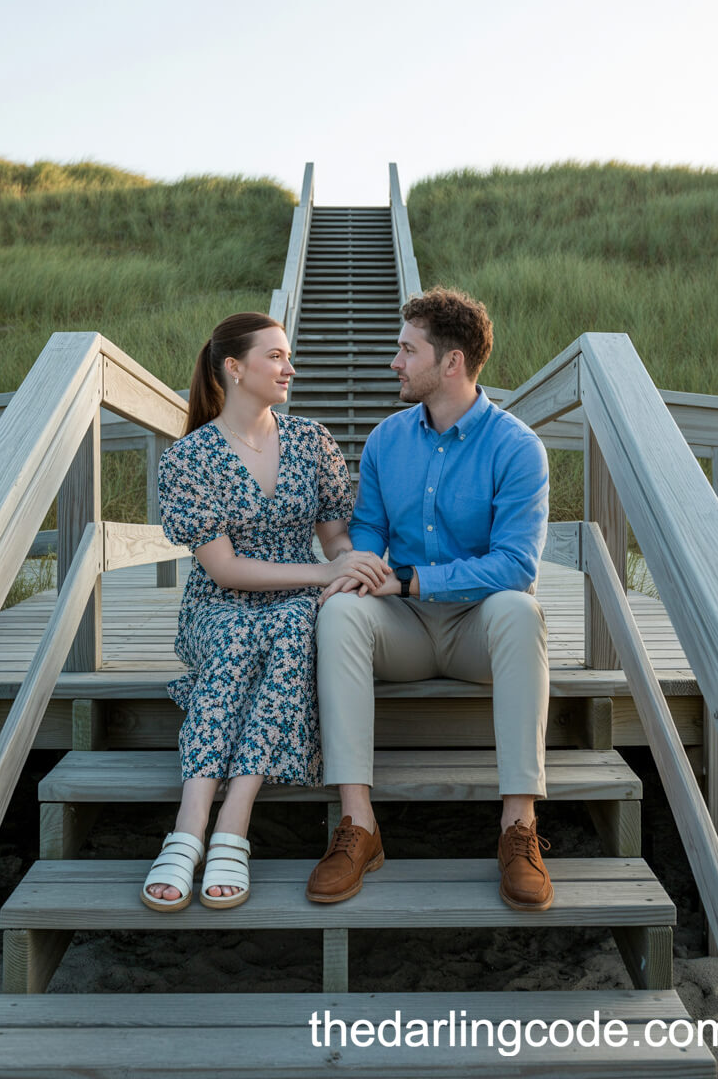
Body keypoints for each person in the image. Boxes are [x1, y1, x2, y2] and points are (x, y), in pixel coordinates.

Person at [306, 287, 553, 911]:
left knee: (522, 612)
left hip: (479, 629)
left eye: (406, 350)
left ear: (451, 363)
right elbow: (369, 528)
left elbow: (517, 564)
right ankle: (359, 826)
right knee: (339, 612)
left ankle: (518, 829)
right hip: (405, 630)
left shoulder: (517, 447)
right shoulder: (389, 440)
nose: (395, 362)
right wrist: (358, 565)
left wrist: (413, 579)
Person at [143, 312, 390, 911]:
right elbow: (224, 569)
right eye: (275, 356)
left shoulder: (311, 441)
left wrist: (348, 565)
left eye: (289, 356)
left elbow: (333, 535)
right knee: (235, 638)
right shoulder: (190, 458)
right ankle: (190, 821)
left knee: (295, 626)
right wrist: (322, 571)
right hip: (220, 602)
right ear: (234, 367)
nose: (290, 367)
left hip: (295, 600)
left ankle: (234, 819)